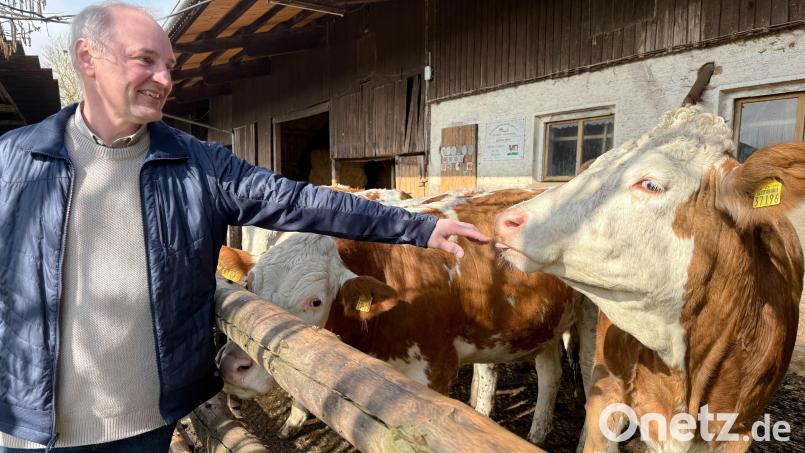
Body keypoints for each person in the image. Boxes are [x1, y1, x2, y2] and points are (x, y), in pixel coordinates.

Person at [0, 3, 489, 452]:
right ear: (88, 57)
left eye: (169, 66)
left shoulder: (199, 166)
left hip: (148, 424)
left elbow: (301, 200)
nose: (164, 79)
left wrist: (419, 229)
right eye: (145, 60)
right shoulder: (12, 162)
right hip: (28, 425)